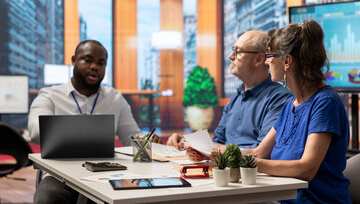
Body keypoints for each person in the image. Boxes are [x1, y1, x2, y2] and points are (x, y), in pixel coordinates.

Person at [28, 40, 161, 204]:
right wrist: (72, 127)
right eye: (88, 60)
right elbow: (35, 132)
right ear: (73, 60)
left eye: (101, 63)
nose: (95, 67)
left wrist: (147, 141)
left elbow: (131, 135)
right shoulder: (49, 95)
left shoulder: (115, 98)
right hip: (60, 173)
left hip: (106, 171)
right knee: (48, 197)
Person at [246, 20, 351, 203]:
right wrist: (213, 155)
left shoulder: (326, 102)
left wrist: (253, 165)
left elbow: (306, 169)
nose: (267, 60)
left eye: (271, 55)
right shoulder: (289, 105)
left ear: (287, 61)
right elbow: (258, 154)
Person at [167, 31, 293, 159]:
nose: (230, 56)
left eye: (237, 52)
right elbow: (218, 141)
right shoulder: (236, 97)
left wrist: (212, 148)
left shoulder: (280, 98)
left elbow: (260, 152)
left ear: (259, 59)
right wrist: (186, 141)